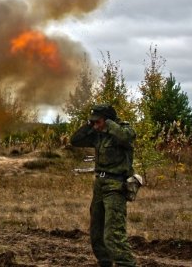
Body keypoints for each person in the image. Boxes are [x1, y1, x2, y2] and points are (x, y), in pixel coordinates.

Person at [70, 104, 137, 267]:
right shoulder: (97, 134)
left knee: (113, 235)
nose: (95, 125)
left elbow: (125, 138)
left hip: (116, 186)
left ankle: (126, 264)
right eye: (93, 122)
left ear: (107, 121)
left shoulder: (124, 130)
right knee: (96, 233)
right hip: (100, 185)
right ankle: (105, 262)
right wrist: (89, 124)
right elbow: (75, 140)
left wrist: (109, 125)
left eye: (97, 122)